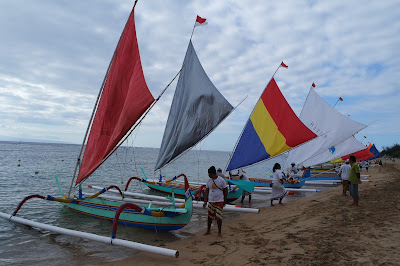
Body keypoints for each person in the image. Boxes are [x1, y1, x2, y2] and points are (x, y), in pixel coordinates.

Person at [203, 166, 228, 236]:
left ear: (211, 173)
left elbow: (226, 191)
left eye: (209, 173)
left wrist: (224, 201)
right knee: (209, 217)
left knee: (219, 217)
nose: (208, 175)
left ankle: (219, 232)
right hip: (211, 201)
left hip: (219, 200)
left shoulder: (221, 180)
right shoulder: (208, 181)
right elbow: (206, 192)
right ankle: (208, 230)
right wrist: (205, 202)